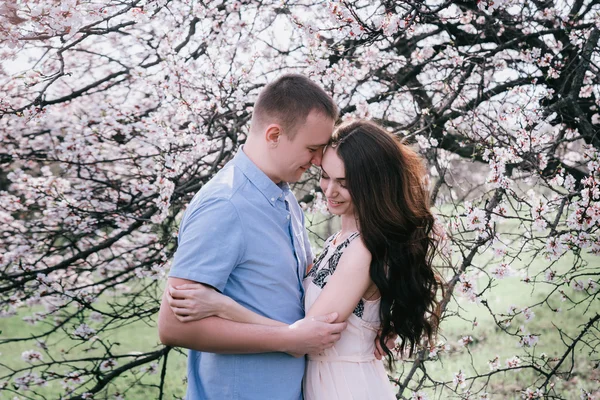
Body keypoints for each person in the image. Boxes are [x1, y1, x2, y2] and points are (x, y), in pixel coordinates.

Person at [169, 119, 443, 399]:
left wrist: (223, 306)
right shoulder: (338, 241)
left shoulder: (363, 249)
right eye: (325, 175)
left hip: (345, 387)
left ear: (373, 186)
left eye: (344, 183)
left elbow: (307, 337)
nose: (330, 190)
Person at [157, 74, 348, 400]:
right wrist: (288, 340)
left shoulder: (285, 197)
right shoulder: (225, 204)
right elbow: (173, 327)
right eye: (312, 149)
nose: (318, 161)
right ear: (274, 134)